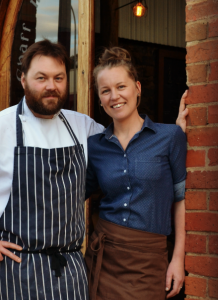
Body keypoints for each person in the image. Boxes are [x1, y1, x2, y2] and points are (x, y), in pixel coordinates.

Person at [0, 40, 187, 300]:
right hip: (13, 274)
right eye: (41, 77)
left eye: (59, 78)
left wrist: (171, 135)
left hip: (69, 274)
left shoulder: (82, 127)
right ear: (23, 79)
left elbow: (128, 144)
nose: (51, 86)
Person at [85, 47, 187, 300]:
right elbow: (72, 195)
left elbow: (181, 199)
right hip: (104, 256)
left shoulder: (170, 137)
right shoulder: (94, 146)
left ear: (137, 88)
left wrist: (178, 258)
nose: (114, 96)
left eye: (121, 86)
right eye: (105, 90)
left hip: (149, 261)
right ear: (99, 98)